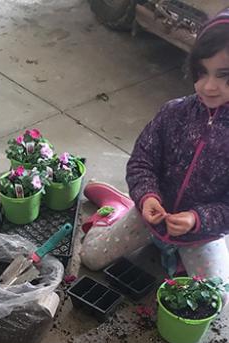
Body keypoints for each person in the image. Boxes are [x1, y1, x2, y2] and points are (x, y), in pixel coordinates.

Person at [80, 9, 229, 287]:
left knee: (216, 295)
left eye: (225, 76)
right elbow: (141, 161)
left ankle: (180, 248)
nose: (209, 86)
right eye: (201, 72)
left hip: (200, 234)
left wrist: (196, 219)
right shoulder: (174, 113)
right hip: (151, 215)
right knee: (91, 256)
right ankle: (117, 206)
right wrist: (147, 197)